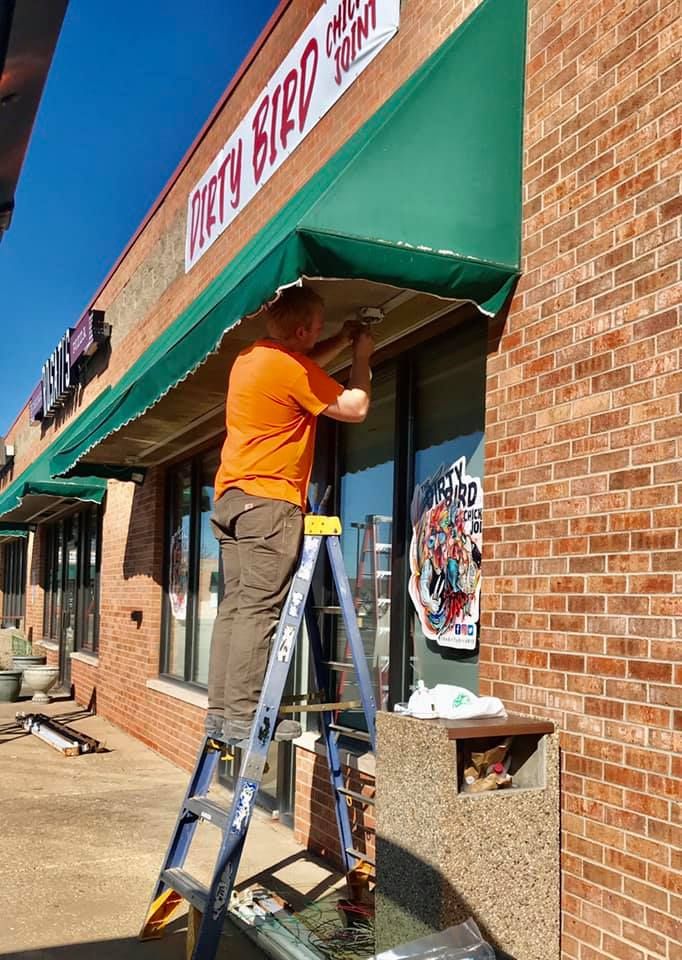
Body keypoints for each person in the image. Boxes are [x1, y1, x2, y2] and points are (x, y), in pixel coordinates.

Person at [206, 285, 374, 745]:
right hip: (269, 503)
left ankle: (222, 713)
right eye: (317, 328)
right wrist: (362, 355)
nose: (319, 332)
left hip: (232, 500)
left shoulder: (251, 359)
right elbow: (356, 407)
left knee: (235, 608)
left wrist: (338, 338)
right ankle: (246, 719)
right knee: (260, 612)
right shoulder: (289, 368)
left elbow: (301, 364)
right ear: (301, 332)